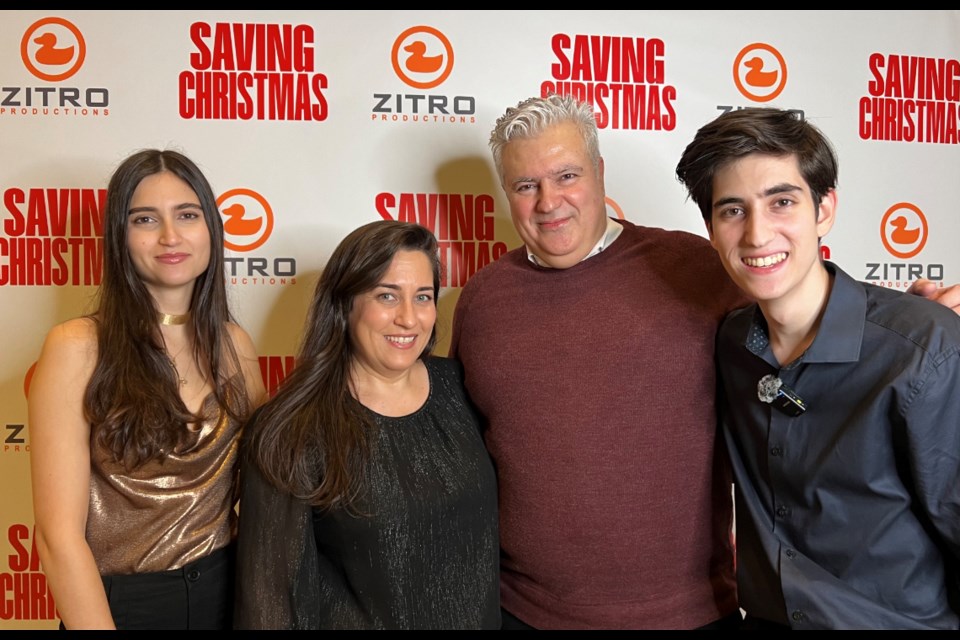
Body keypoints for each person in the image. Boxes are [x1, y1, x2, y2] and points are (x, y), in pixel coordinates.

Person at [449, 93, 960, 630]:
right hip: (524, 614)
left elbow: (796, 289)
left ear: (599, 173)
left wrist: (915, 322)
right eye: (525, 185)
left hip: (692, 617)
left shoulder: (694, 269)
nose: (548, 201)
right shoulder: (483, 300)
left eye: (566, 175)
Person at [675, 107, 960, 629]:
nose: (758, 235)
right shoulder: (728, 345)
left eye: (781, 202)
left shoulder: (924, 352)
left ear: (824, 208)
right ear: (711, 229)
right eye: (732, 210)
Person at [28, 149, 267, 629]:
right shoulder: (77, 347)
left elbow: (265, 489)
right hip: (123, 608)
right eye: (144, 219)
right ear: (120, 236)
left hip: (230, 596)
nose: (170, 236)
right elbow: (57, 539)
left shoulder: (233, 345)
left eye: (187, 215)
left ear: (211, 230)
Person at [233, 220, 500, 630]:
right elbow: (269, 601)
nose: (409, 318)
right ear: (345, 304)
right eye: (387, 296)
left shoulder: (461, 388)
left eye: (423, 297)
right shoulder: (290, 430)